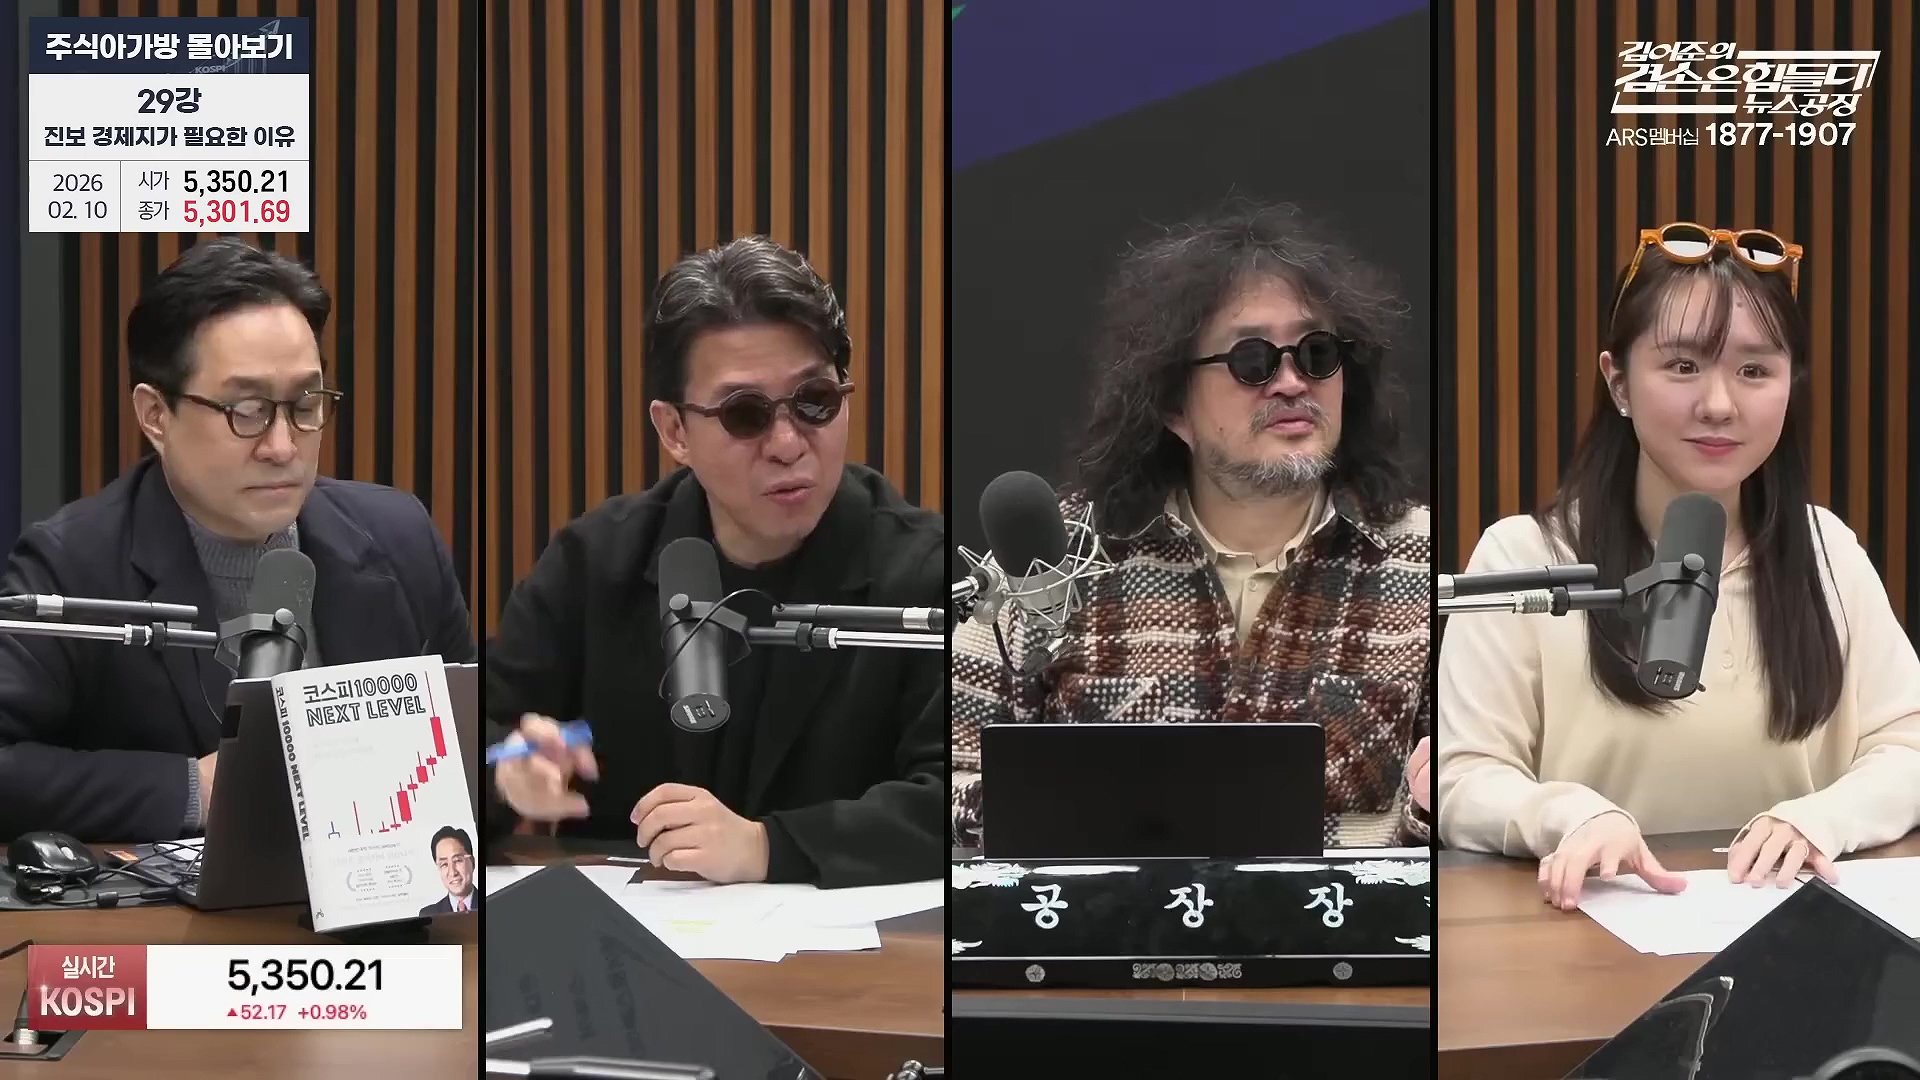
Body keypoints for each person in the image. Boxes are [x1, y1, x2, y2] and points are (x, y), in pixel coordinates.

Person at [1437, 224, 1920, 909]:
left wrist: (1822, 818)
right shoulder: (1526, 557)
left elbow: (1908, 745)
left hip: (1792, 925)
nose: (1718, 405)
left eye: (1754, 371)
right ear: (1618, 381)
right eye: (1684, 366)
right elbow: (1463, 777)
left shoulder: (1828, 551)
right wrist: (1570, 815)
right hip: (1586, 928)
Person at [951, 199, 1434, 850]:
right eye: (1253, 360)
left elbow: (1465, 788)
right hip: (1112, 909)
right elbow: (949, 775)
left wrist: (1432, 809)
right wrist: (1067, 807)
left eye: (1317, 353)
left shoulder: (1419, 559)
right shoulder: (1058, 555)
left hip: (1337, 913)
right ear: (1173, 404)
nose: (1292, 383)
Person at [485, 236, 945, 888]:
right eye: (745, 414)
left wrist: (768, 847)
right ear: (674, 430)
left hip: (847, 946)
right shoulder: (596, 563)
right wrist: (507, 771)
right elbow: (481, 732)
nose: (787, 444)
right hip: (631, 933)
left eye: (815, 400)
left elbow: (954, 802)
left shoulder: (923, 573)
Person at [0, 238, 476, 843]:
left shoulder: (398, 536)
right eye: (246, 410)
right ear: (155, 415)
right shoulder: (72, 564)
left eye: (305, 404)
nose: (282, 446)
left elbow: (467, 737)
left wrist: (509, 773)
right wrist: (193, 789)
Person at [420, 826, 479, 915]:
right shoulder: (429, 915)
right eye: (444, 864)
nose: (452, 872)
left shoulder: (492, 905)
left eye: (457, 860)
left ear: (472, 862)